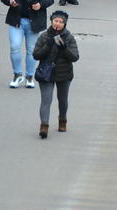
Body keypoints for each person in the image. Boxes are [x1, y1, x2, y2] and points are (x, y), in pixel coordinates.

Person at [1, 0, 56, 88]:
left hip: (33, 22)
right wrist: (10, 1)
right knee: (15, 47)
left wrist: (41, 5)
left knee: (31, 50)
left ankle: (29, 76)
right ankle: (17, 74)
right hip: (16, 21)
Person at [32, 10, 78, 139]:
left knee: (62, 100)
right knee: (46, 100)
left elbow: (75, 57)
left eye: (60, 22)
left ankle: (62, 120)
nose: (57, 24)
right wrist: (48, 45)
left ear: (64, 24)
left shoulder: (69, 37)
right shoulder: (44, 36)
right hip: (46, 73)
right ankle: (44, 126)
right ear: (51, 21)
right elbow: (36, 55)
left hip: (64, 73)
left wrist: (65, 49)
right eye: (55, 21)